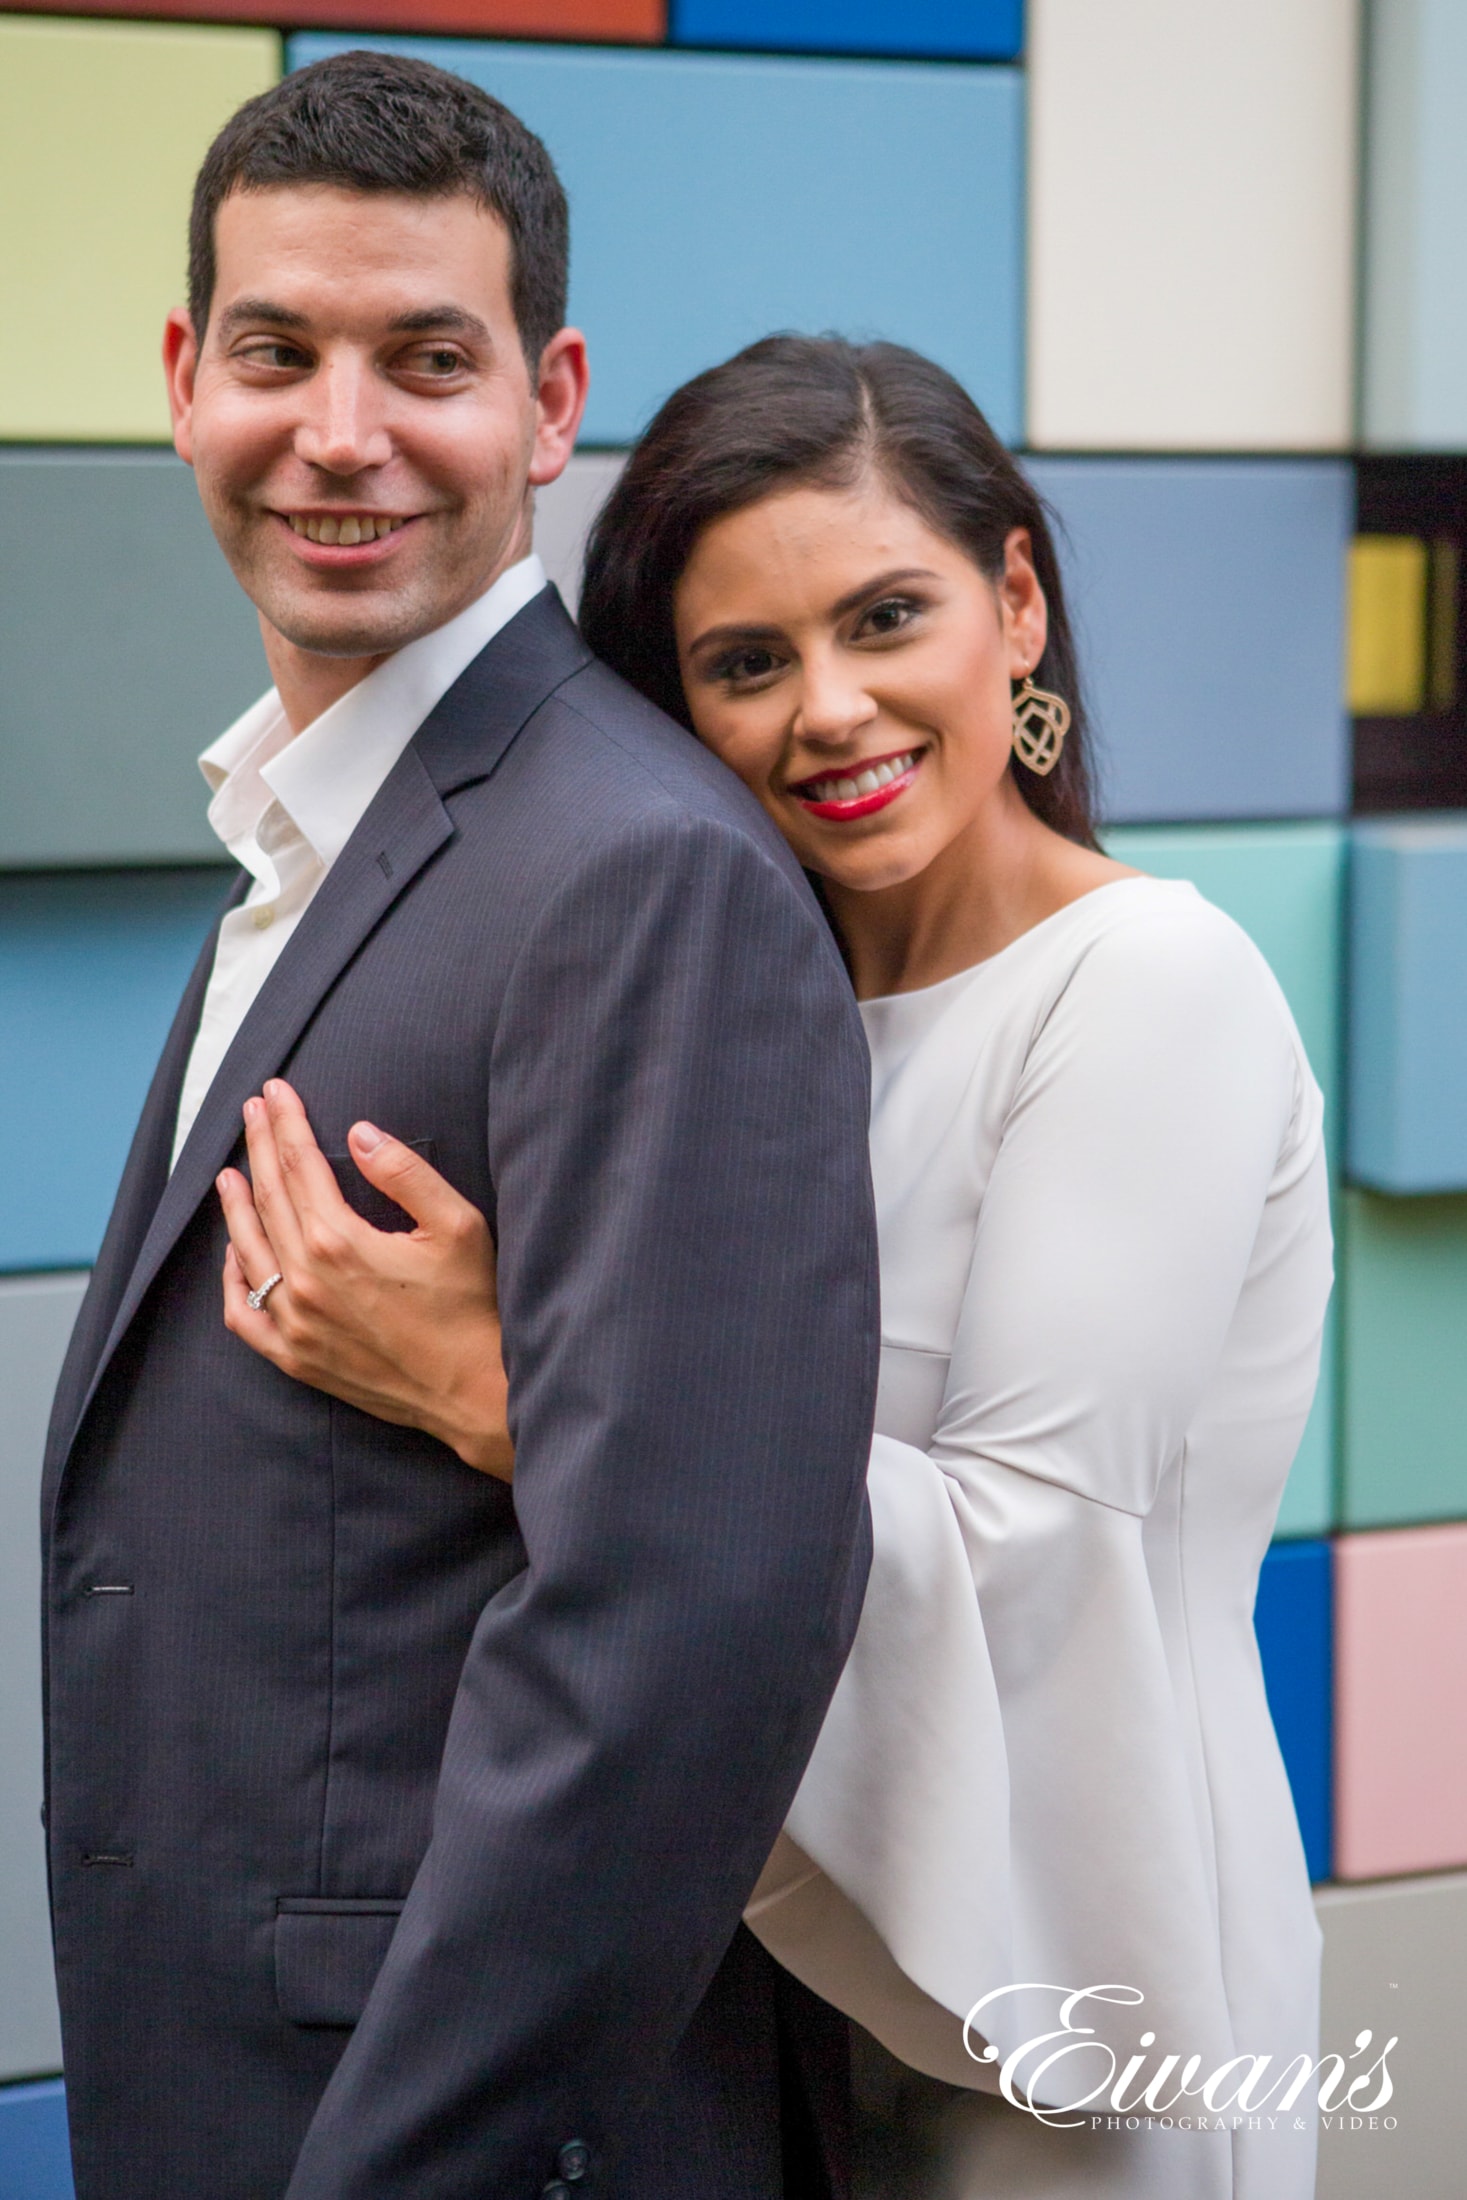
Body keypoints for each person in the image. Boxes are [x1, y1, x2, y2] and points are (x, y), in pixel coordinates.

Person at [223, 336, 1334, 2200]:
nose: (830, 710)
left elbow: (1026, 1558)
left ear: (1020, 604)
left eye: (887, 617)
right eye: (745, 664)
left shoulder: (1150, 989)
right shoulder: (765, 1003)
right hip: (773, 1984)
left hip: (1058, 2008)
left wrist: (512, 1394)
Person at [40, 60, 881, 2200]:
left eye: (426, 357)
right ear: (180, 380)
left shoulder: (632, 868)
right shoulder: (320, 828)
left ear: (545, 400)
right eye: (275, 352)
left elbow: (677, 1630)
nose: (340, 433)